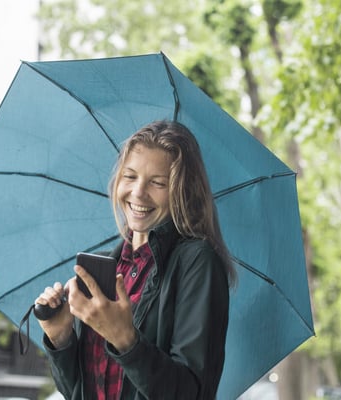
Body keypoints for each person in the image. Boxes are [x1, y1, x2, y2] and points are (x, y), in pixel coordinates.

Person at [35, 120, 236, 400]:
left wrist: (124, 339)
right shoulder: (104, 269)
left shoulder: (197, 262)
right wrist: (60, 338)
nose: (138, 192)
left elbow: (190, 392)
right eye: (130, 176)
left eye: (157, 183)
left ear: (182, 191)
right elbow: (79, 391)